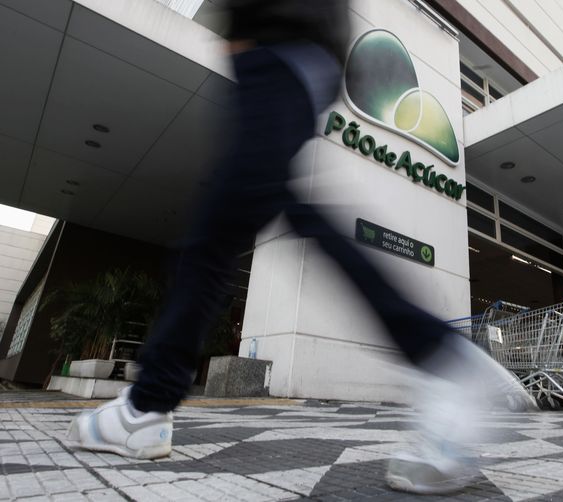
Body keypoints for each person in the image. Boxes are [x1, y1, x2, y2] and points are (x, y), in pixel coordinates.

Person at [65, 0, 534, 494]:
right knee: (266, 218)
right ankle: (439, 355)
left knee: (214, 236)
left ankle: (148, 405)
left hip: (278, 44)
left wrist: (245, 25)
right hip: (300, 52)